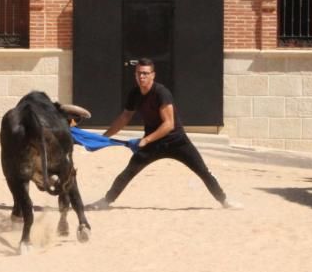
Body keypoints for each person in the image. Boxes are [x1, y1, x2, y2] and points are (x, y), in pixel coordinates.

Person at [90, 58, 241, 210]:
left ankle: (224, 201)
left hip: (177, 141)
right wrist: (104, 137)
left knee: (203, 171)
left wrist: (146, 139)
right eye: (138, 73)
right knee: (128, 172)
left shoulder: (161, 92)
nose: (141, 77)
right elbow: (124, 117)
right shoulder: (135, 93)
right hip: (153, 144)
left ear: (153, 75)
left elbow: (169, 124)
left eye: (145, 73)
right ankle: (106, 201)